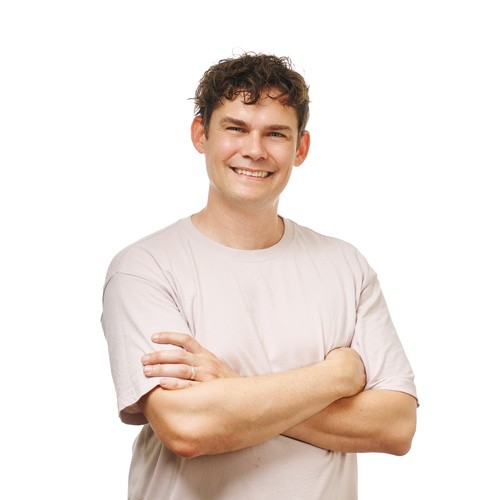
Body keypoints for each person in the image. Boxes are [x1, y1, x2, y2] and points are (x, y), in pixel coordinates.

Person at [101, 52, 418, 500]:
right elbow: (187, 427)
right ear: (200, 135)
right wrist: (337, 378)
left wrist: (230, 389)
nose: (254, 150)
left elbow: (397, 426)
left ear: (300, 148)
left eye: (275, 133)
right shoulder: (144, 268)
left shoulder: (346, 266)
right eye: (236, 128)